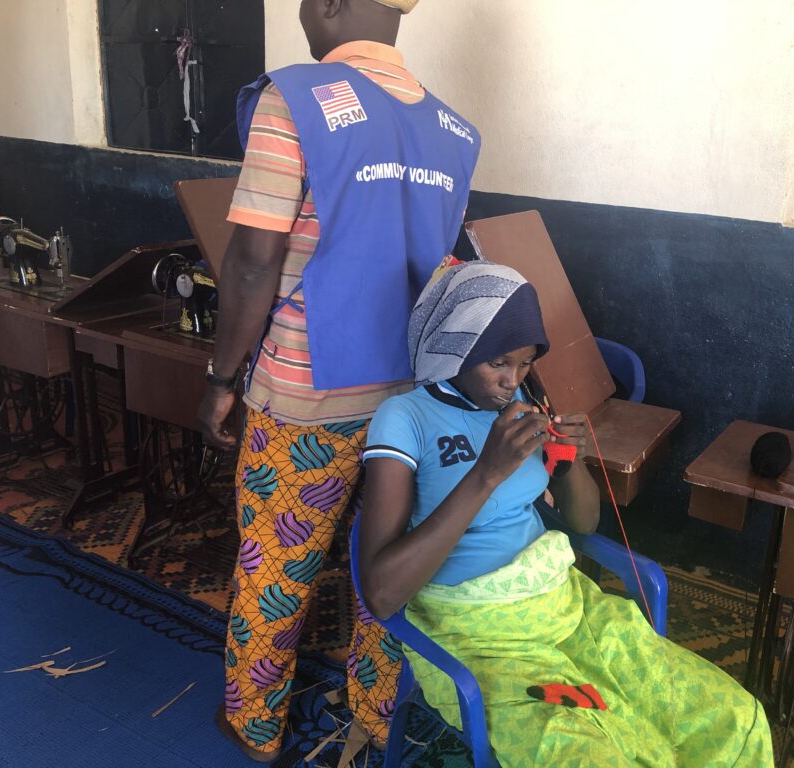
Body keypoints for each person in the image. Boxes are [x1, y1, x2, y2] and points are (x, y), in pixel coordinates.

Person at [196, 0, 480, 761]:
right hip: (410, 397)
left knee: (277, 567)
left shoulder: (294, 99)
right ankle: (378, 714)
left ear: (327, 5)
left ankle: (255, 725)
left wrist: (222, 377)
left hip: (305, 394)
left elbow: (254, 260)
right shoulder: (454, 131)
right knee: (385, 566)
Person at [358, 260, 775, 767]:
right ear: (457, 343)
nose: (511, 381)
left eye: (526, 363)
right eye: (498, 363)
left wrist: (571, 464)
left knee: (731, 715)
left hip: (566, 609)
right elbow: (380, 593)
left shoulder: (523, 409)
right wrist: (486, 473)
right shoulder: (405, 418)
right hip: (480, 637)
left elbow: (583, 524)